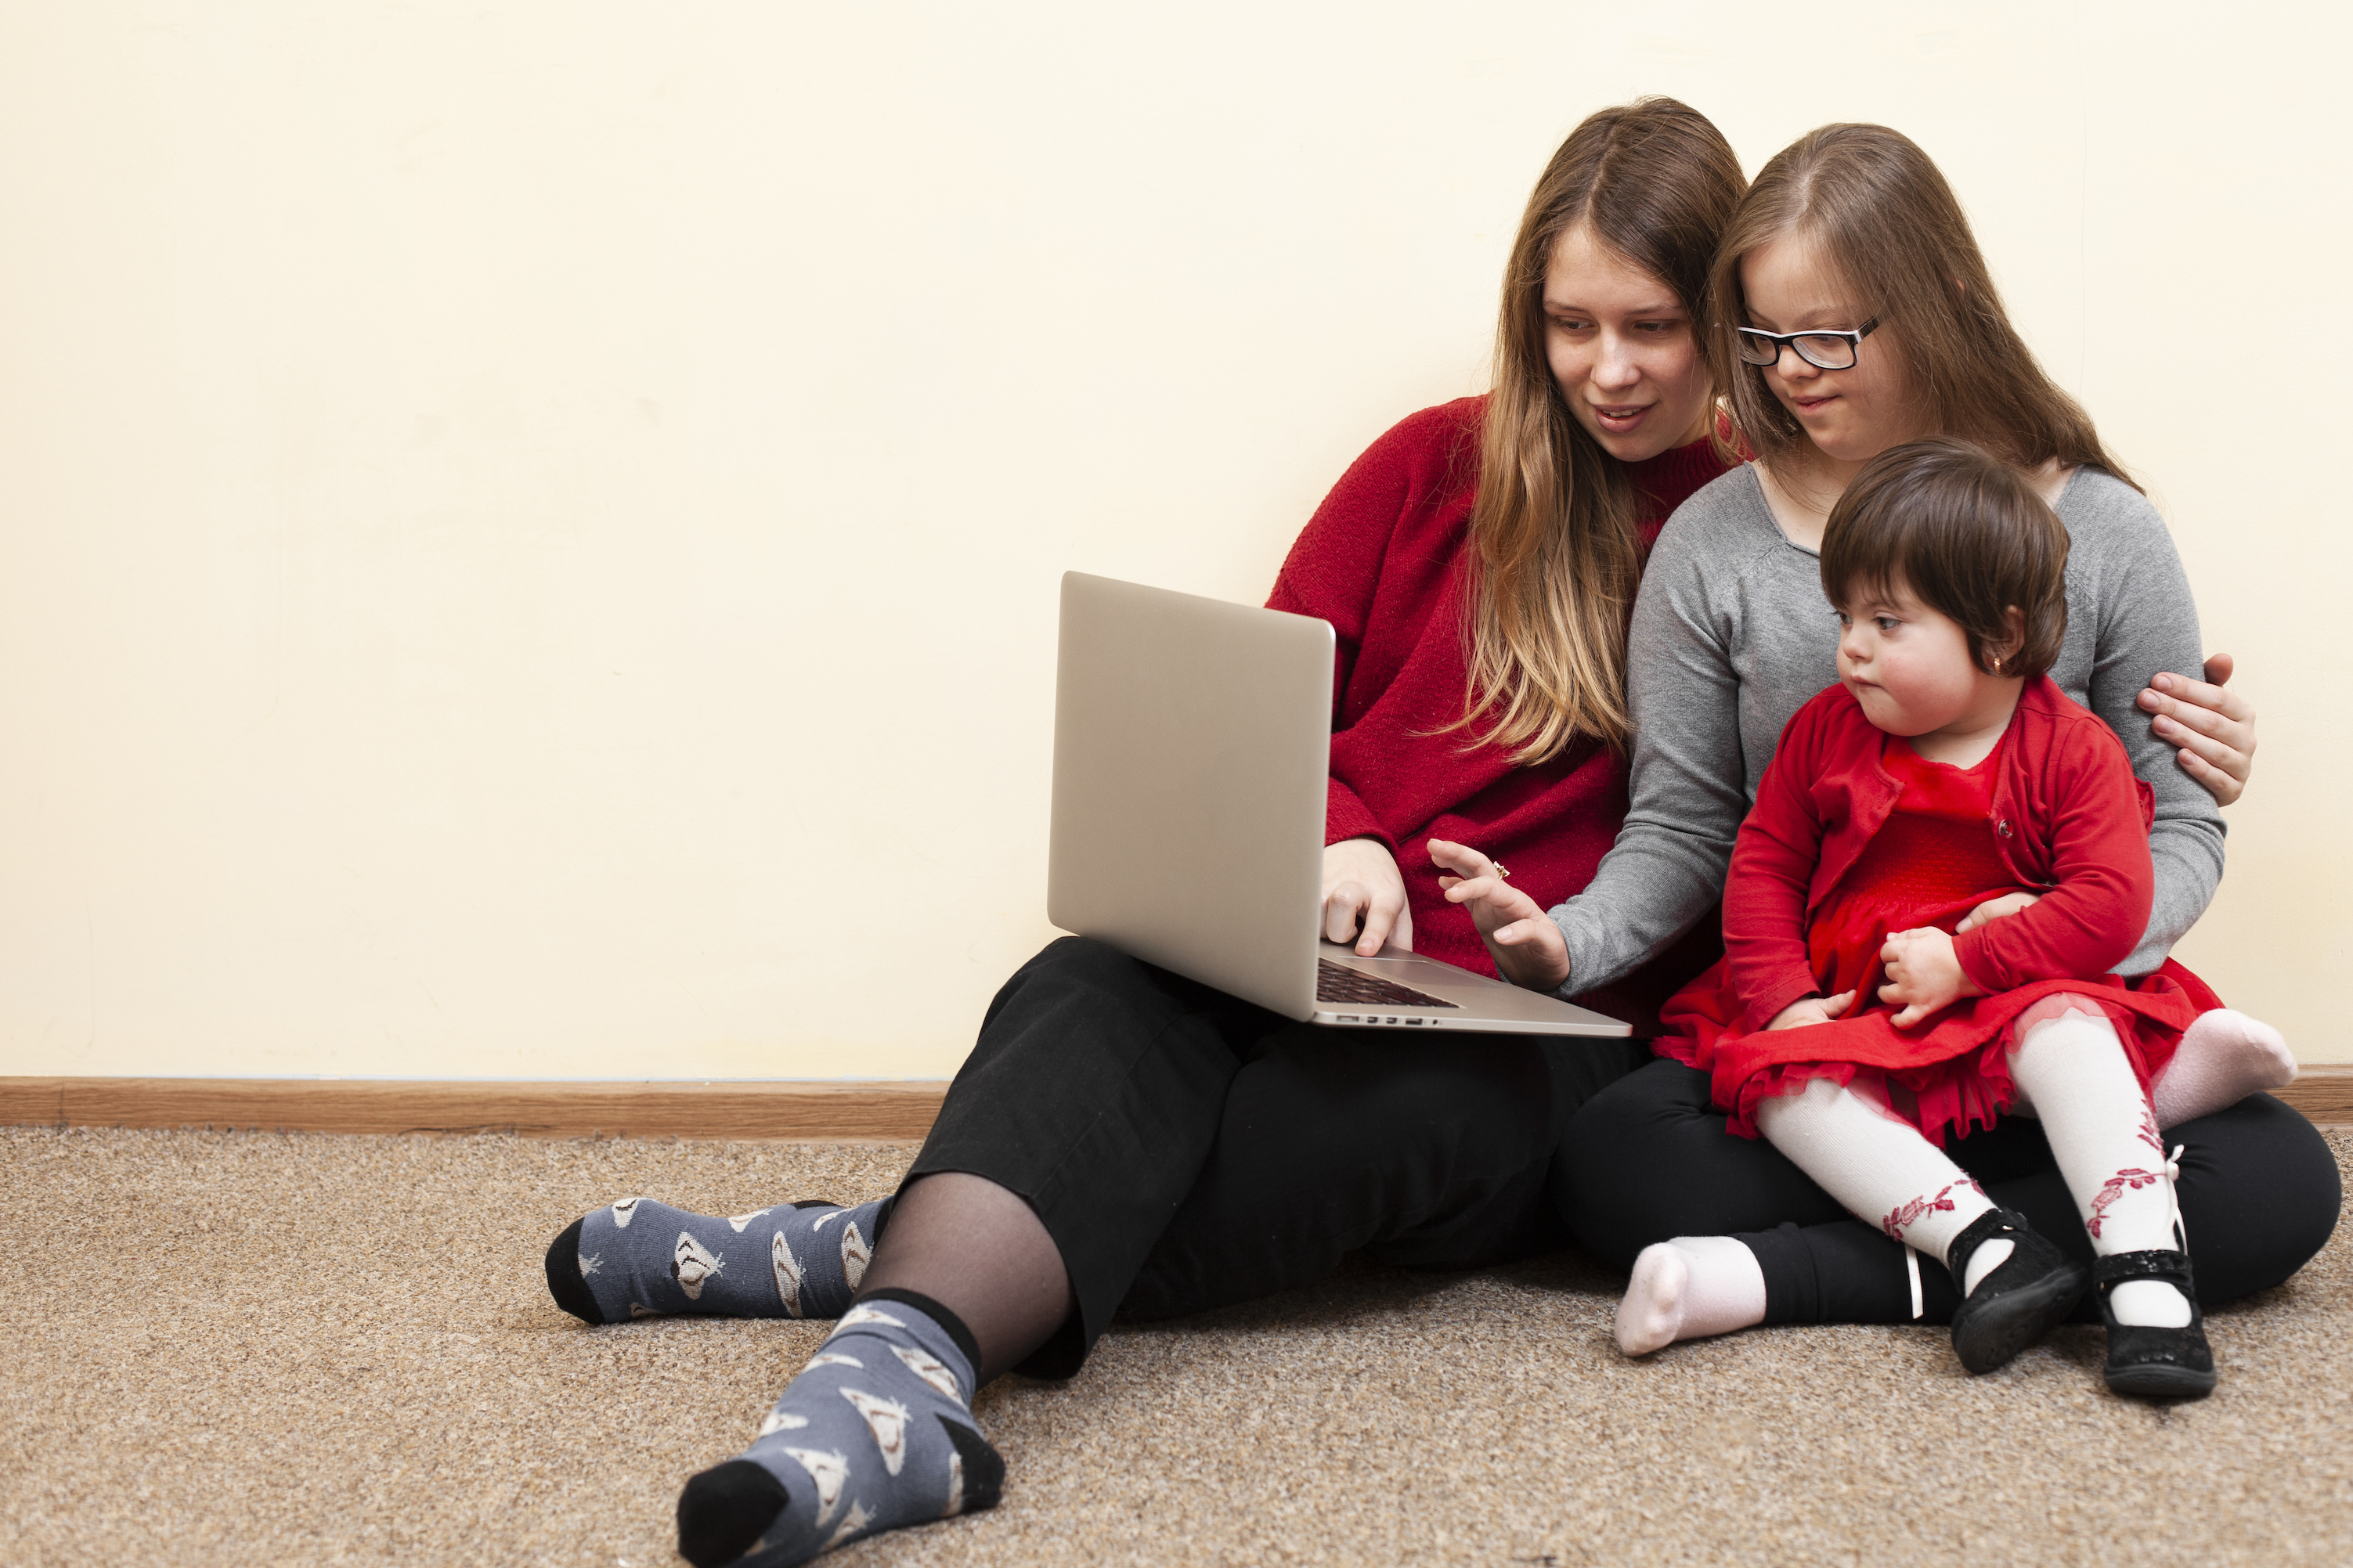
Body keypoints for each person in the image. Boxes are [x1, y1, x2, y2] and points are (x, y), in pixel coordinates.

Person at [542, 98, 1755, 1567]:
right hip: (1317, 951)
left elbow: (1740, 828)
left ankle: (876, 1255)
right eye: (1570, 324)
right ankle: (903, 1381)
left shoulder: (1748, 530)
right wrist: (1342, 832)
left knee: (1385, 1118)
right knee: (1088, 979)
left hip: (1530, 1031)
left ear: (1725, 320)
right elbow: (1270, 699)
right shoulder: (1431, 466)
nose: (1608, 370)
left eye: (1652, 327)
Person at [1533, 123, 2333, 1350]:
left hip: (2056, 1014)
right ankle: (2063, 1251)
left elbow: (2173, 817)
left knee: (2282, 1179)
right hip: (1833, 1025)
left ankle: (1818, 1273)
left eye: (1831, 334)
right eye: (1761, 336)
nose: (1791, 371)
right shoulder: (1710, 540)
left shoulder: (2104, 530)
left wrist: (2041, 950)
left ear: (1943, 298)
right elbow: (1692, 828)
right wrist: (1565, 943)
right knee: (1615, 1159)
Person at [1645, 436, 2218, 1397]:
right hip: (1863, 1016)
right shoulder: (1823, 731)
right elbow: (1760, 867)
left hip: (2004, 1000)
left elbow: (2110, 904)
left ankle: (2144, 1272)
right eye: (1842, 616)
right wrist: (1782, 999)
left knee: (2070, 1028)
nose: (1848, 647)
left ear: (1996, 635)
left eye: (1883, 620)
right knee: (1767, 1081)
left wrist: (1972, 960)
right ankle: (1983, 1242)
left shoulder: (2070, 749)